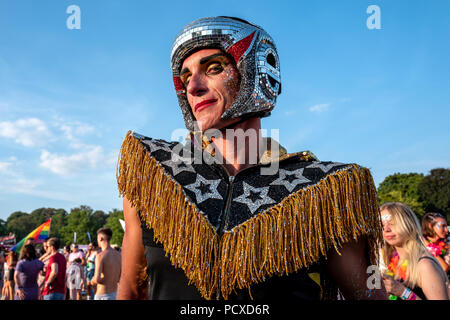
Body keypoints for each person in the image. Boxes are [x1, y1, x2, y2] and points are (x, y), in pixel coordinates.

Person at [116, 16, 386, 300]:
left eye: (214, 68)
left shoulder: (326, 192)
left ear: (255, 72)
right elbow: (132, 290)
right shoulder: (153, 178)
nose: (193, 86)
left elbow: (370, 296)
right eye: (185, 77)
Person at [380, 202, 449, 300]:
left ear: (408, 224)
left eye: (393, 223)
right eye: (382, 225)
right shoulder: (392, 260)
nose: (386, 229)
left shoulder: (425, 265)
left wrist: (402, 292)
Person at [92, 228, 121, 300]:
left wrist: (90, 282)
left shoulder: (100, 256)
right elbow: (120, 278)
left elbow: (96, 279)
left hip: (102, 295)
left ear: (101, 238)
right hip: (115, 294)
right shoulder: (119, 255)